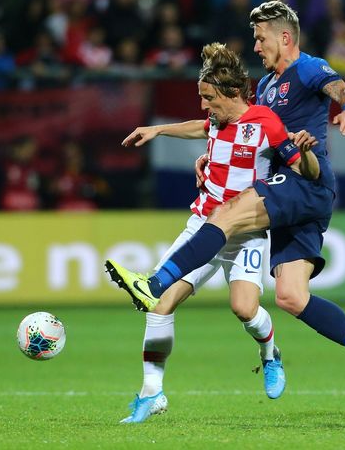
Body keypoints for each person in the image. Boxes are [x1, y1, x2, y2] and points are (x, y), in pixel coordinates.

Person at [106, 1, 345, 403]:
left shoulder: (308, 68)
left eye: (261, 38)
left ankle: (153, 283)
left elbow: (344, 91)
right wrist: (180, 137)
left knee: (228, 211)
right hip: (292, 196)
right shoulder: (263, 88)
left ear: (285, 37)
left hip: (303, 181)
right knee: (290, 298)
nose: (256, 46)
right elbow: (221, 122)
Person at [114, 41, 321, 423]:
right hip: (203, 224)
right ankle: (151, 393)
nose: (204, 107)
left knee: (244, 308)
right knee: (159, 304)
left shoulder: (266, 124)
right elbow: (201, 127)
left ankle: (270, 353)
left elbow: (306, 172)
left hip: (246, 230)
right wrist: (158, 130)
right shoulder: (215, 120)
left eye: (208, 98)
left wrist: (305, 152)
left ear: (228, 94)